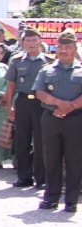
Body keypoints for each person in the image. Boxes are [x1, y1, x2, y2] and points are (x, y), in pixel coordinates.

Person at [34, 29, 82, 212]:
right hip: (51, 118)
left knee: (74, 160)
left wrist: (70, 107)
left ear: (75, 48)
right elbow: (39, 92)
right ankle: (51, 198)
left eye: (68, 47)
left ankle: (71, 201)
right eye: (60, 47)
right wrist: (59, 104)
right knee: (51, 159)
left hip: (76, 119)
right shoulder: (47, 70)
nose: (63, 50)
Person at [4, 28, 49, 188]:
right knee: (22, 141)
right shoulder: (17, 60)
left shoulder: (48, 61)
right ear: (22, 43)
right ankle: (24, 177)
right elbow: (11, 85)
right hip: (22, 102)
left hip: (42, 104)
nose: (31, 43)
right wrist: (10, 107)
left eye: (34, 40)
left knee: (41, 141)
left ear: (40, 41)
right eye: (27, 40)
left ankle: (41, 178)